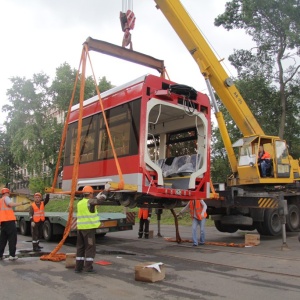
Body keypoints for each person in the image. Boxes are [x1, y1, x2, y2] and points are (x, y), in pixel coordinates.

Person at [75, 184, 109, 274]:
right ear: (90, 194)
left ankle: (78, 268)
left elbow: (92, 203)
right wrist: (106, 190)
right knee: (90, 248)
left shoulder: (80, 203)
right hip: (88, 230)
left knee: (80, 248)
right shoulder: (90, 202)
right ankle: (88, 267)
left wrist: (97, 196)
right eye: (92, 194)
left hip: (80, 229)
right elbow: (100, 200)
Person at [0, 188, 28, 260]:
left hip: (3, 222)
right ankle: (12, 255)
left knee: (3, 239)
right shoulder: (6, 198)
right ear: (7, 193)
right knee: (12, 238)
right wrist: (21, 203)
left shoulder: (1, 200)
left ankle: (0, 254)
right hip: (9, 221)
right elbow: (11, 204)